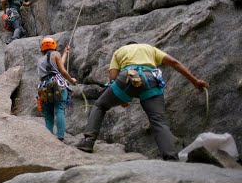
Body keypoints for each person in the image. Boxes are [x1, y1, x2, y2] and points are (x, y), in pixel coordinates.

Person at [75, 42, 209, 161]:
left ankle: (88, 141)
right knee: (158, 121)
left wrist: (122, 96)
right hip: (151, 80)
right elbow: (174, 62)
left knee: (100, 105)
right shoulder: (149, 48)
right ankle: (171, 158)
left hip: (128, 77)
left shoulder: (120, 50)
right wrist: (195, 81)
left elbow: (113, 78)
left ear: (128, 46)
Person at [37, 37, 77, 142]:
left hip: (44, 87)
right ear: (54, 46)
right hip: (57, 84)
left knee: (48, 114)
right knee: (59, 110)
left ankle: (48, 138)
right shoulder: (56, 54)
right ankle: (60, 137)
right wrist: (71, 80)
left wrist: (65, 53)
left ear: (42, 48)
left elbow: (56, 66)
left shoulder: (40, 60)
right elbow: (62, 71)